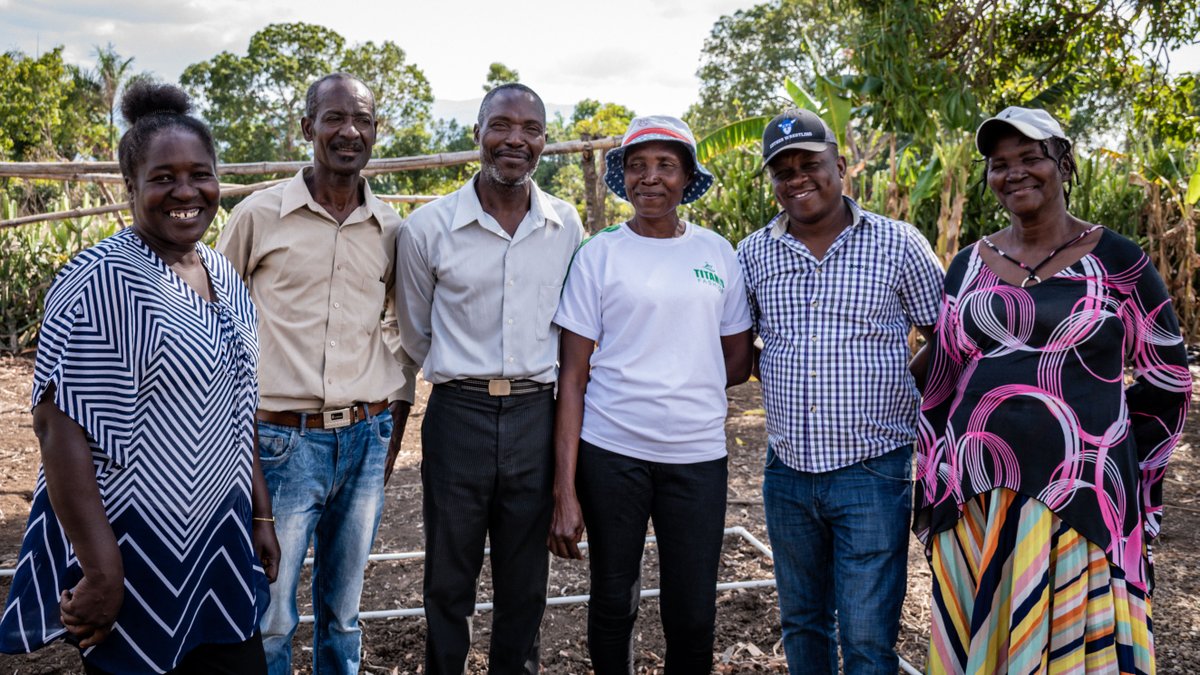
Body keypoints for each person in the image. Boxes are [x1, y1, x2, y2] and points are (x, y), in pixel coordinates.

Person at [0, 81, 277, 674]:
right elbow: (58, 427)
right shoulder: (100, 278)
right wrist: (101, 569)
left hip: (220, 543)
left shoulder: (223, 276)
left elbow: (237, 404)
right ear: (130, 186)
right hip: (134, 549)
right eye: (163, 177)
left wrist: (259, 512)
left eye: (199, 174)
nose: (186, 191)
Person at [915, 106, 1192, 674]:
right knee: (989, 644)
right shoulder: (968, 265)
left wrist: (1116, 458)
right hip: (978, 498)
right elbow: (941, 378)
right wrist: (934, 477)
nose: (1014, 172)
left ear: (1064, 164)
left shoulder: (1119, 263)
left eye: (1031, 158)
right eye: (999, 163)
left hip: (1080, 496)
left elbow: (1167, 379)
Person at [215, 73, 416, 675]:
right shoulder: (260, 215)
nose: (348, 131)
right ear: (308, 128)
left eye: (362, 120)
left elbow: (400, 333)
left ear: (376, 133)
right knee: (272, 615)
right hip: (280, 441)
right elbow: (211, 321)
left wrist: (390, 431)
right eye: (333, 118)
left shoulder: (391, 231)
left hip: (363, 439)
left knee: (344, 615)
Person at [736, 109, 944, 674]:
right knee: (802, 622)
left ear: (841, 167)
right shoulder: (754, 253)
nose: (798, 178)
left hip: (873, 470)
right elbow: (741, 345)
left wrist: (902, 386)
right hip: (788, 471)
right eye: (783, 171)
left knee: (866, 636)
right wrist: (778, 371)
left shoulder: (898, 244)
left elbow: (944, 337)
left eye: (811, 164)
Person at [548, 115, 754, 674]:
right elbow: (572, 375)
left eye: (666, 165)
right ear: (623, 178)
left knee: (692, 610)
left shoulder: (717, 254)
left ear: (688, 177)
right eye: (637, 166)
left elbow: (735, 359)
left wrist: (685, 382)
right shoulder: (600, 255)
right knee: (614, 599)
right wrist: (564, 490)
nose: (650, 178)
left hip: (696, 456)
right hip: (612, 452)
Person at [396, 83, 585, 675]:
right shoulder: (427, 229)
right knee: (448, 578)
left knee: (525, 581)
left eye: (531, 129)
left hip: (536, 413)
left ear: (544, 143)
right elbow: (416, 331)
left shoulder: (565, 224)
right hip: (458, 415)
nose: (515, 139)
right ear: (477, 133)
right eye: (501, 125)